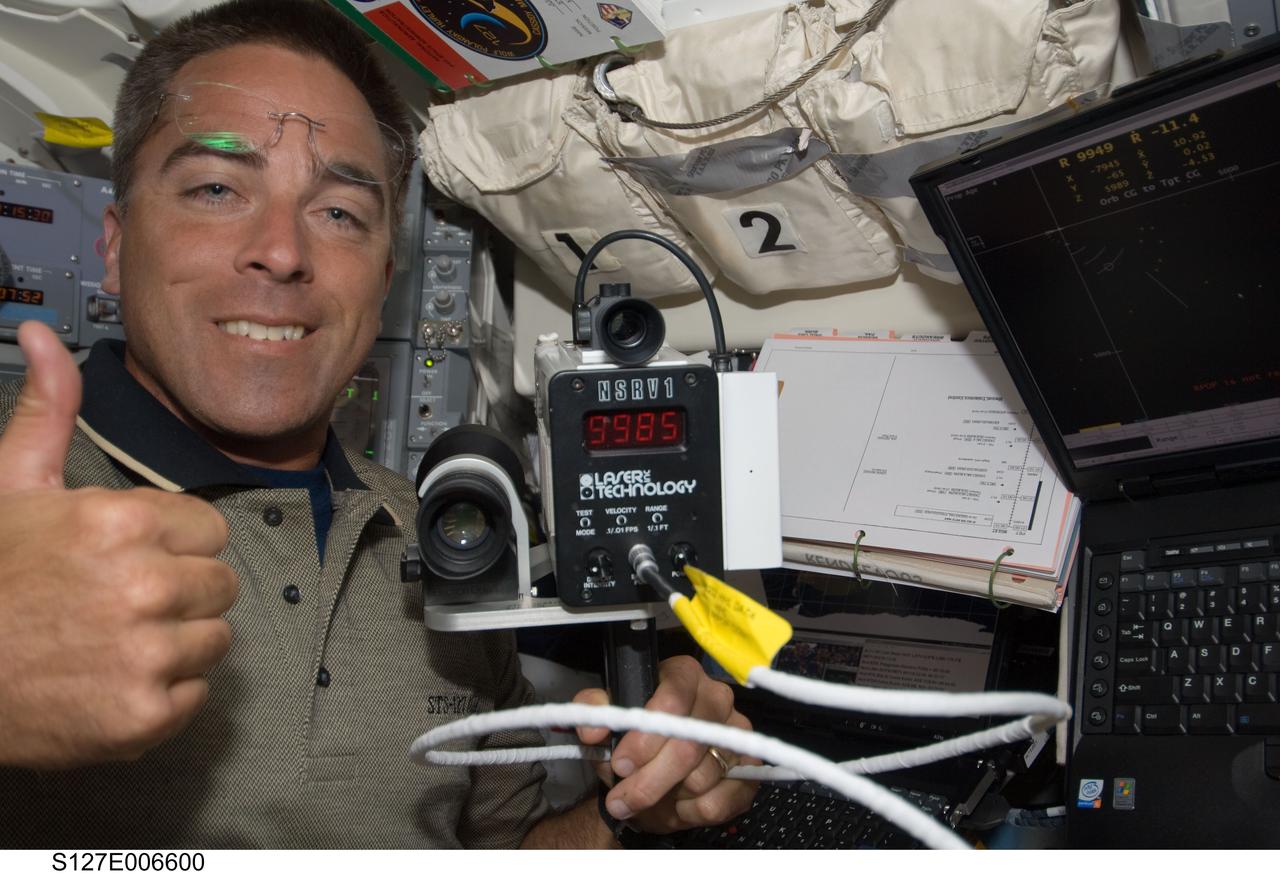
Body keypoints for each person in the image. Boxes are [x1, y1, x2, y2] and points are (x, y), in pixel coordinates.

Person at [0, 0, 754, 848]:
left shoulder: (451, 538)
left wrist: (634, 810)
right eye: (216, 189)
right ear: (113, 242)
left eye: (339, 214)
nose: (282, 251)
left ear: (384, 279)